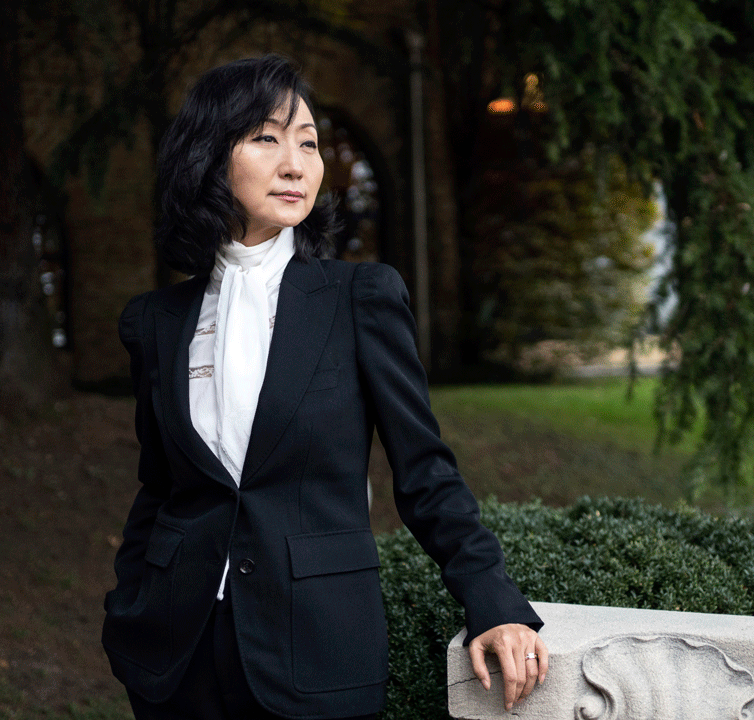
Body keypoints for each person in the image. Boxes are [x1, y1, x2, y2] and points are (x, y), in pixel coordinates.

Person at [101, 54, 546, 720]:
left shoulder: (360, 298)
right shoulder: (155, 322)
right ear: (209, 156)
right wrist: (128, 609)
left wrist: (495, 602)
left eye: (308, 141)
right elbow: (162, 486)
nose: (296, 163)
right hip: (175, 657)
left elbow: (425, 472)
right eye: (266, 138)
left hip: (315, 652)